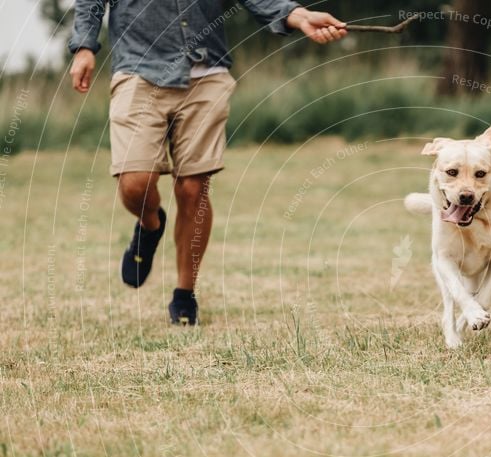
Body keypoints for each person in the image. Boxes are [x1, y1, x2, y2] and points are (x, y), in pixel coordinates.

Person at [68, 1, 347, 325]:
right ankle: (149, 224)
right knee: (135, 183)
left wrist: (299, 16)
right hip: (138, 68)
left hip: (207, 72)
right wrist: (84, 46)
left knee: (193, 188)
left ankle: (184, 294)